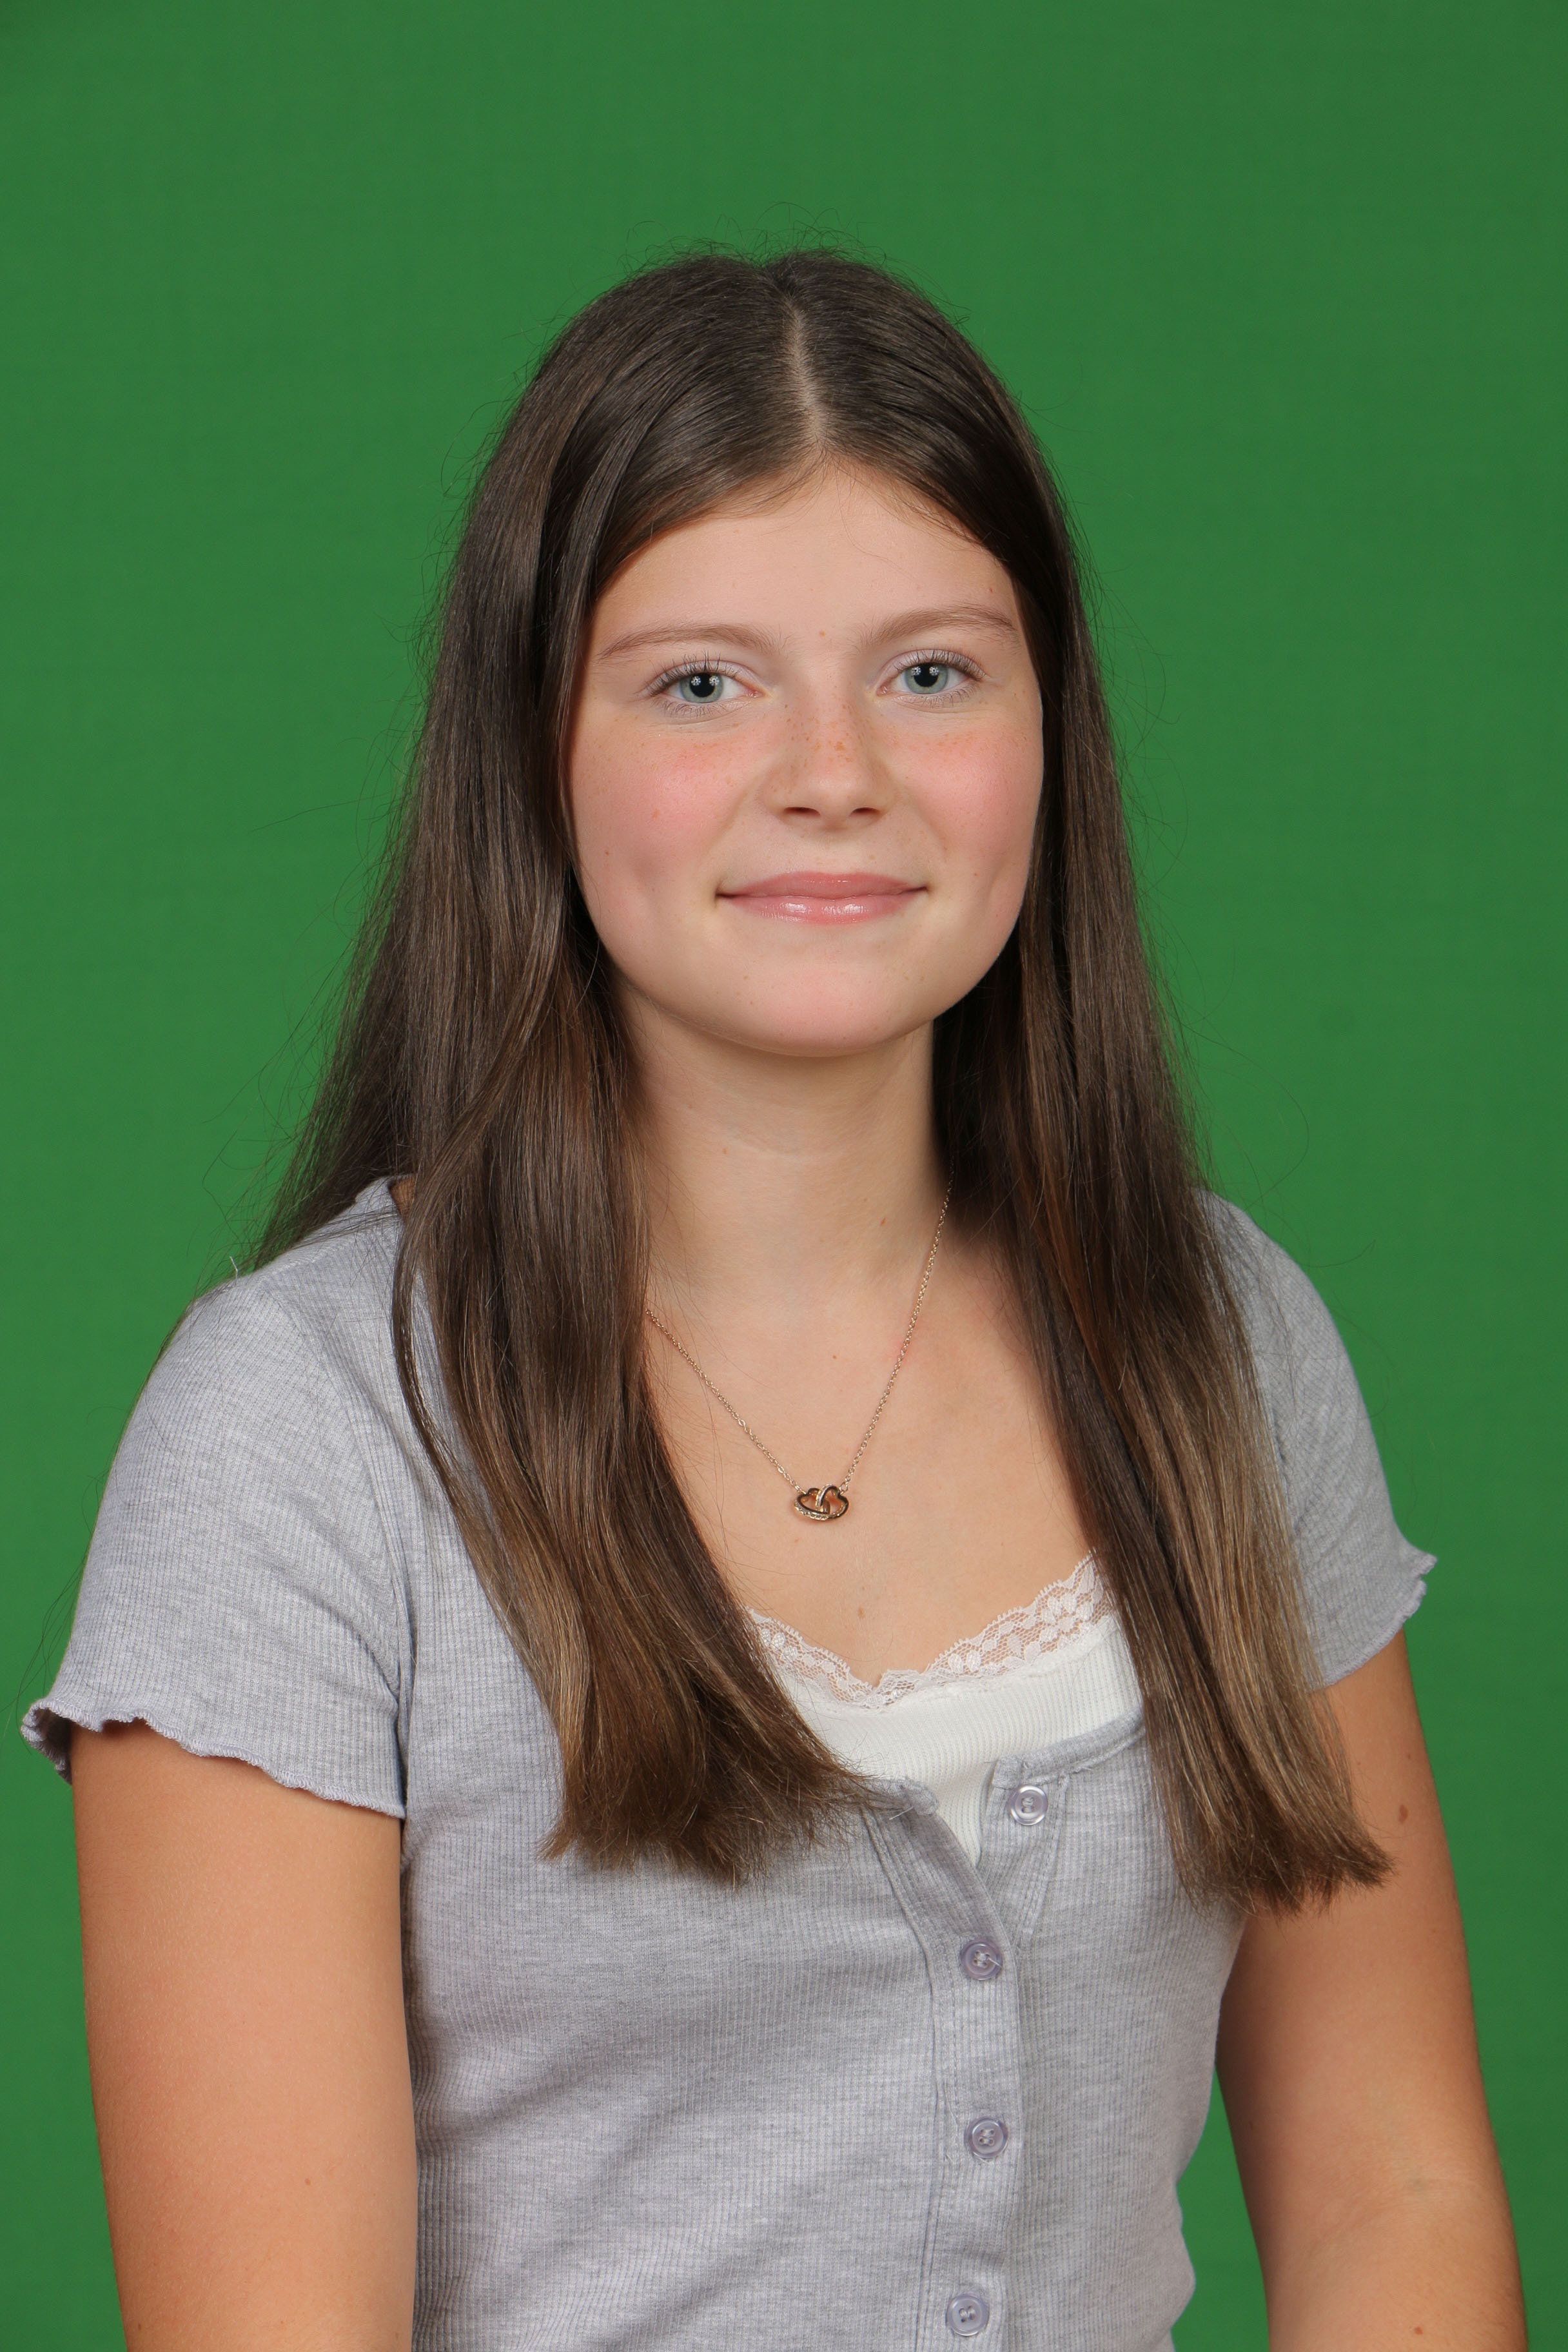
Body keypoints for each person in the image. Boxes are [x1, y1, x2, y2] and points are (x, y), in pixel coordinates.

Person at [27, 250, 1523, 2350]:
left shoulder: (1221, 1339)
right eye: (702, 685)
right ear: (534, 748)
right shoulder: (300, 1431)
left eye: (932, 672)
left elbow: (1395, 2192)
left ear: (1049, 734)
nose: (835, 771)